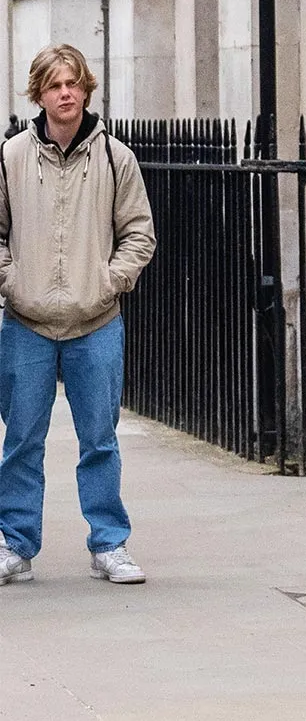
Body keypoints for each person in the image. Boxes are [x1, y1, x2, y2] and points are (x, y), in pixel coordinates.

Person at [0, 45, 156, 586]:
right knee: (21, 438)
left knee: (100, 439)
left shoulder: (117, 157)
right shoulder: (11, 156)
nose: (65, 93)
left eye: (74, 84)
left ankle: (109, 543)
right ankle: (15, 543)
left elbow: (139, 233)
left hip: (97, 323)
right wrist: (11, 282)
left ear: (86, 90)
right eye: (54, 85)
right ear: (38, 95)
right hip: (27, 323)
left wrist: (109, 282)